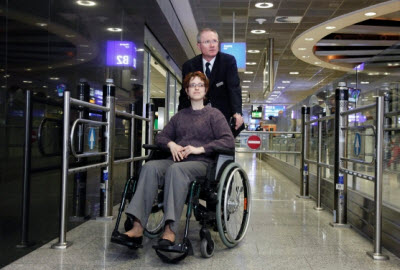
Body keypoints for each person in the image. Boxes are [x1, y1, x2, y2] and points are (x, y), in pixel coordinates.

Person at [112, 71, 234, 249]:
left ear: (206, 89)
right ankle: (137, 227)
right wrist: (171, 145)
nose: (197, 88)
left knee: (176, 170)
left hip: (201, 163)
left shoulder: (214, 115)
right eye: (192, 85)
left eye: (200, 84)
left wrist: (199, 148)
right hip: (176, 160)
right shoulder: (180, 116)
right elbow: (161, 137)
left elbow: (228, 140)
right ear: (187, 90)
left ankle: (170, 230)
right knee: (150, 168)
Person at [178, 28, 244, 131]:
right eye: (207, 42)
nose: (212, 45)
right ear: (199, 46)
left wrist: (237, 112)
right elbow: (184, 93)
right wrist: (180, 116)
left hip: (223, 118)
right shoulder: (189, 65)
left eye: (214, 41)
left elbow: (234, 88)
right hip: (196, 119)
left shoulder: (228, 61)